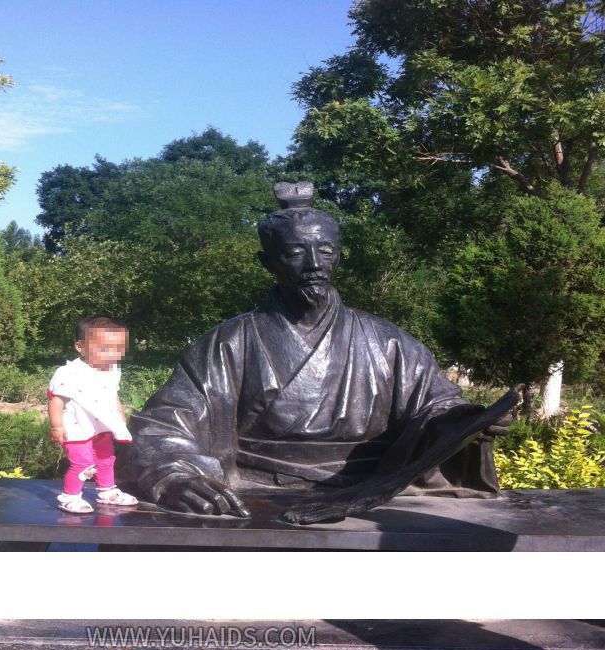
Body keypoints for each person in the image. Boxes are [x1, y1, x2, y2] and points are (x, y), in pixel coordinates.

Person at [121, 182, 512, 524]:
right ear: (268, 262)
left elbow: (434, 406)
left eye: (325, 251)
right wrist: (177, 475)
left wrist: (466, 422)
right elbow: (167, 423)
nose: (313, 265)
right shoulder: (229, 342)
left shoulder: (387, 341)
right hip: (253, 492)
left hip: (368, 492)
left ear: (339, 255)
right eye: (294, 253)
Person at [48, 315, 138, 513]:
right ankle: (69, 496)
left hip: (101, 427)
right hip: (77, 428)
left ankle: (107, 490)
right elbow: (56, 400)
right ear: (80, 347)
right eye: (104, 349)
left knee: (106, 459)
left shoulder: (112, 370)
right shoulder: (69, 372)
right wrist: (56, 426)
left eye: (119, 348)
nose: (113, 354)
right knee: (82, 463)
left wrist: (119, 414)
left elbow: (112, 394)